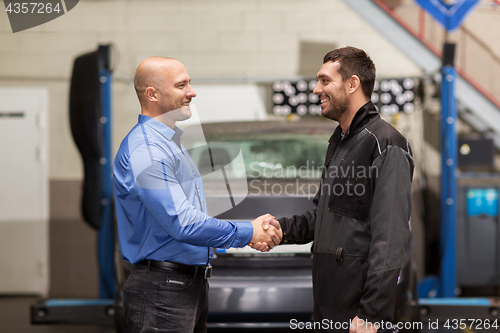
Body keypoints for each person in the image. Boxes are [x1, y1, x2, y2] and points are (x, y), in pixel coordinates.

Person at [113, 56, 282, 333]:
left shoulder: (169, 144)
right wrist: (248, 232)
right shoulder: (148, 150)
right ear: (152, 94)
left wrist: (240, 239)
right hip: (162, 292)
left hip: (184, 286)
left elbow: (190, 218)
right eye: (182, 85)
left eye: (189, 83)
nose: (191, 92)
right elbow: (183, 223)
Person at [257, 47, 414, 332]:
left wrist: (373, 313)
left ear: (352, 84)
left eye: (325, 80)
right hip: (330, 306)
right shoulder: (341, 142)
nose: (316, 89)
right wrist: (279, 230)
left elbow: (390, 237)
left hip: (359, 313)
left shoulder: (385, 143)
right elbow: (326, 218)